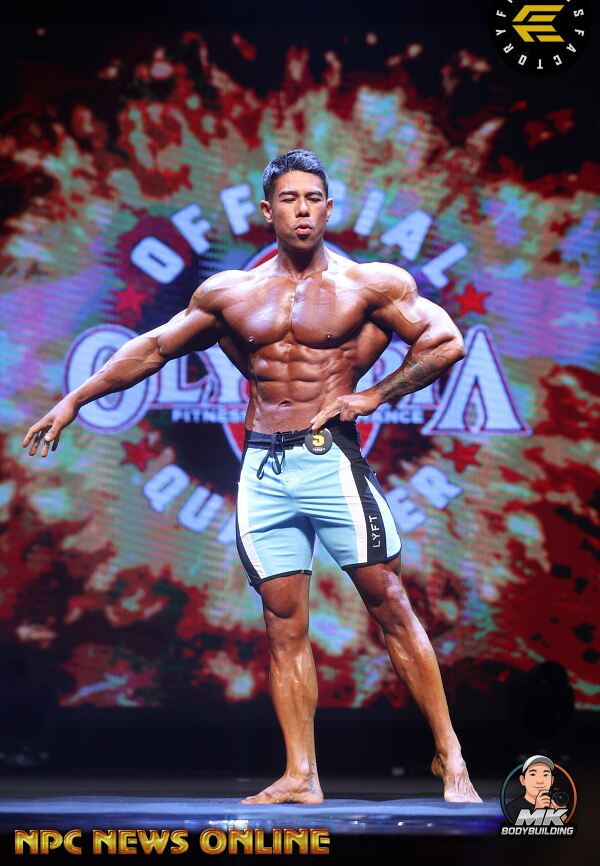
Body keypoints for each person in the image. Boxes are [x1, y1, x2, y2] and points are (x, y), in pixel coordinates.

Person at [23, 149, 481, 805]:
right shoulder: (230, 293)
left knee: (388, 601)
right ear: (269, 211)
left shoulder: (369, 284)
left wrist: (372, 396)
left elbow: (446, 342)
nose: (303, 210)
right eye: (289, 199)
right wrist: (74, 400)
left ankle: (451, 756)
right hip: (263, 467)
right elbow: (153, 348)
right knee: (282, 622)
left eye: (313, 198)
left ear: (329, 208)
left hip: (330, 459)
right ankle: (301, 774)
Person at [505, 755, 568, 824]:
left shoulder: (555, 803)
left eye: (545, 775)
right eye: (533, 774)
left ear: (552, 780)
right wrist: (537, 811)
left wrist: (560, 814)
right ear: (523, 780)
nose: (540, 781)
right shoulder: (512, 808)